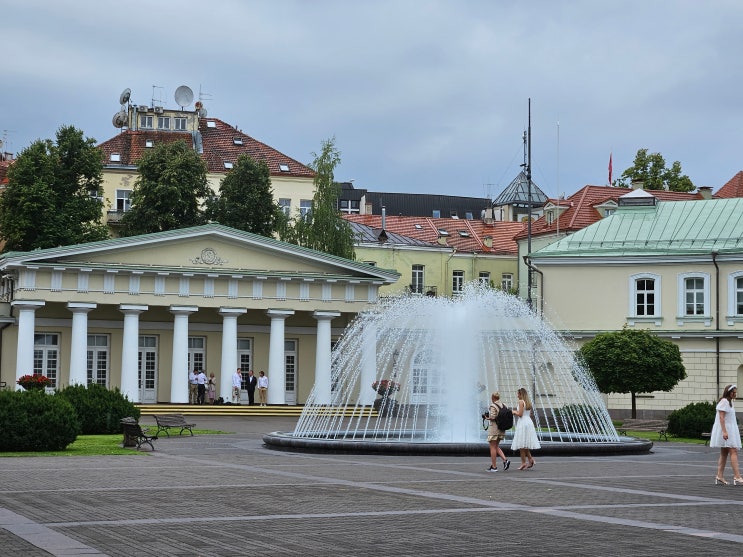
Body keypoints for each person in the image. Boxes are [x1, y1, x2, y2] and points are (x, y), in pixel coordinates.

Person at [710, 384, 743, 485]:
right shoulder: (724, 401)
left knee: (724, 452)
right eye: (734, 392)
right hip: (726, 429)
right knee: (733, 450)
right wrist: (724, 431)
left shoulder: (729, 402)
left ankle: (719, 475)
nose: (735, 394)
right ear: (729, 392)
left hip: (730, 428)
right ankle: (737, 476)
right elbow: (721, 417)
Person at [511, 387, 540, 470]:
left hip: (523, 422)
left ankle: (523, 462)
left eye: (517, 394)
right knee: (525, 443)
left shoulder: (521, 402)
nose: (517, 395)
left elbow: (520, 414)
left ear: (521, 394)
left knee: (521, 444)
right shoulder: (528, 402)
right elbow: (529, 414)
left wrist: (513, 412)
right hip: (528, 422)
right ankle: (531, 459)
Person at [485, 391, 511, 472]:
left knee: (492, 447)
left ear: (493, 398)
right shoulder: (504, 405)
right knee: (496, 446)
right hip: (502, 429)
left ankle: (494, 467)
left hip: (494, 429)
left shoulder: (493, 405)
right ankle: (505, 460)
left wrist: (486, 417)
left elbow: (492, 417)